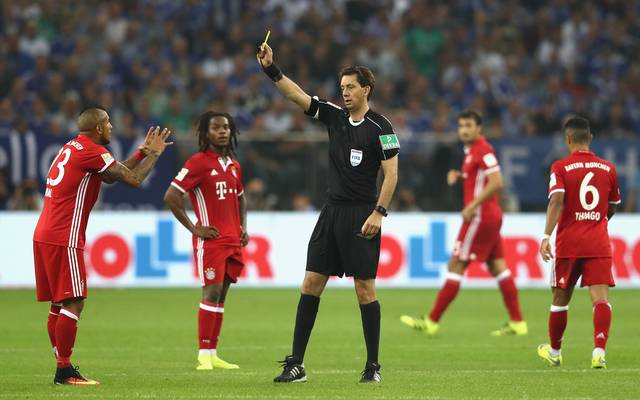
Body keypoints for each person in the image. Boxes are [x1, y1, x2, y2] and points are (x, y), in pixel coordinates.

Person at [257, 43, 399, 384]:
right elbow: (298, 97)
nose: (345, 93)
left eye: (351, 87)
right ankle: (296, 364)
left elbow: (392, 175)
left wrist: (379, 212)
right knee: (310, 283)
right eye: (342, 88)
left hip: (362, 214)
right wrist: (271, 69)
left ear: (366, 90)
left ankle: (373, 366)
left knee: (365, 288)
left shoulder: (383, 127)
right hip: (331, 212)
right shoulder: (335, 117)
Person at [33, 107, 172, 385]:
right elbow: (132, 179)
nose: (112, 126)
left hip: (45, 233)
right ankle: (64, 369)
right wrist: (154, 154)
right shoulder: (93, 151)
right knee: (75, 301)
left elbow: (110, 176)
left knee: (59, 303)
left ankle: (62, 361)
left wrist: (141, 153)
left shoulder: (73, 147)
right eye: (108, 122)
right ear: (98, 127)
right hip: (65, 236)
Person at [400, 110, 527, 336]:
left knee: (456, 264)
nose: (464, 130)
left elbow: (497, 182)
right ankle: (518, 322)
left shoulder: (483, 149)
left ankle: (431, 321)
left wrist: (473, 205)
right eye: (461, 126)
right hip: (489, 215)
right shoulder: (471, 152)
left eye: (468, 125)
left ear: (479, 128)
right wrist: (461, 177)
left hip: (480, 216)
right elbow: (481, 180)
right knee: (498, 266)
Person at [164, 111, 248, 371]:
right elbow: (171, 196)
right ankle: (203, 354)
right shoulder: (198, 162)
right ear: (206, 132)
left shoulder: (233, 164)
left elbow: (241, 198)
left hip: (233, 240)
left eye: (226, 127)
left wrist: (243, 227)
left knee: (221, 296)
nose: (222, 131)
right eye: (216, 127)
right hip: (211, 241)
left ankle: (213, 353)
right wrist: (194, 228)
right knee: (210, 292)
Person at [538, 116, 621, 369]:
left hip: (569, 243)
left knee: (560, 299)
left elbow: (557, 200)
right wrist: (596, 221)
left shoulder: (560, 167)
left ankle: (554, 351)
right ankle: (599, 351)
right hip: (597, 242)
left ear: (568, 139)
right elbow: (613, 206)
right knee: (600, 299)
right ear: (591, 138)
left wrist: (545, 236)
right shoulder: (608, 168)